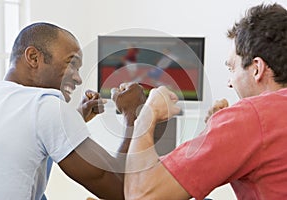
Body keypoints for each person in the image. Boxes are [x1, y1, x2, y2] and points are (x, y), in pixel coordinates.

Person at [123, 3, 287, 199]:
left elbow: (141, 195)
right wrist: (217, 132)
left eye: (231, 69)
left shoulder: (252, 116)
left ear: (257, 68)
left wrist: (145, 115)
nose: (229, 82)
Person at [0, 22, 146, 200]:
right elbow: (123, 191)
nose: (78, 79)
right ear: (33, 57)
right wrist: (132, 116)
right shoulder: (46, 107)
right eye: (71, 64)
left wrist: (76, 118)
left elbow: (26, 139)